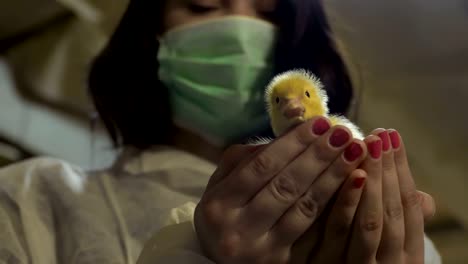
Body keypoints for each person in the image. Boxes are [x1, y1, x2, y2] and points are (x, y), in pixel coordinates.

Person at [0, 0, 441, 263]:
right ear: (150, 36)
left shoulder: (392, 235)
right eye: (204, 4)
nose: (241, 28)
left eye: (269, 14)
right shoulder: (31, 200)